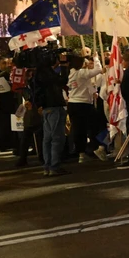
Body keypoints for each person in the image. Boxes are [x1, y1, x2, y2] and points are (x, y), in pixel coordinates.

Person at [31, 48, 69, 176]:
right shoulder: (47, 73)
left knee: (47, 139)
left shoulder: (38, 73)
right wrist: (64, 66)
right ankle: (54, 165)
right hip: (54, 106)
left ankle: (47, 165)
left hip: (46, 108)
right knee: (56, 137)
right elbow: (62, 81)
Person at [66, 52, 102, 162]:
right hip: (83, 104)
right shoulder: (80, 73)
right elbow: (98, 70)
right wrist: (96, 59)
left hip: (72, 103)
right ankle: (93, 148)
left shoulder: (69, 74)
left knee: (78, 129)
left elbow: (87, 85)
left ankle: (81, 152)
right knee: (93, 126)